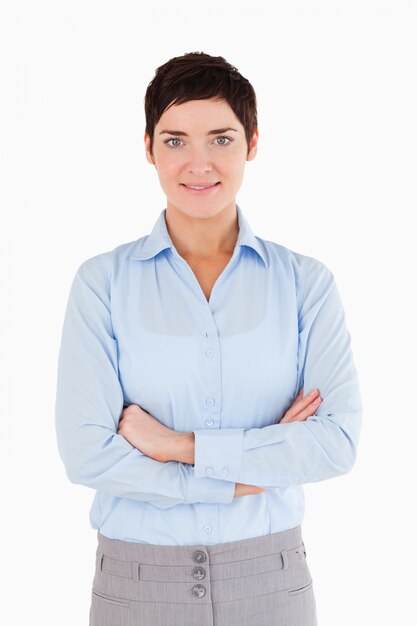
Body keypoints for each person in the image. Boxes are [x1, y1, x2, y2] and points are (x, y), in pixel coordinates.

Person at [55, 51, 362, 626]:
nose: (199, 163)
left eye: (220, 138)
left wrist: (180, 446)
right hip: (135, 585)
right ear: (147, 147)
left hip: (271, 582)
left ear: (252, 143)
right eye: (175, 141)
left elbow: (334, 443)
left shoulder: (305, 284)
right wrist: (250, 473)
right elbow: (88, 454)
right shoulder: (102, 283)